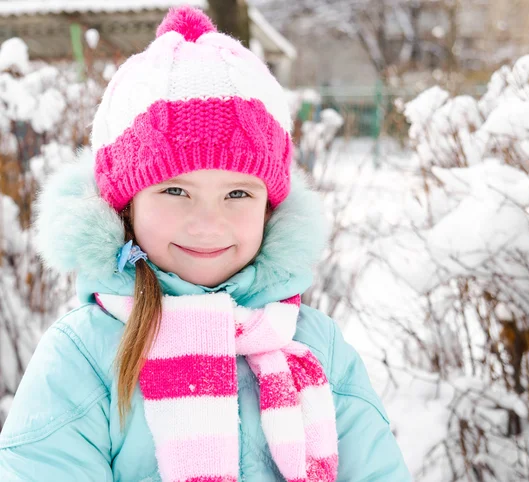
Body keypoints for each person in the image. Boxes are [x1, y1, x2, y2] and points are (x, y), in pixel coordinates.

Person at [0, 6, 411, 482]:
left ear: (270, 208)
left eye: (238, 193)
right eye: (175, 190)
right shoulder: (83, 357)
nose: (207, 223)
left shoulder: (316, 347)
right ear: (125, 204)